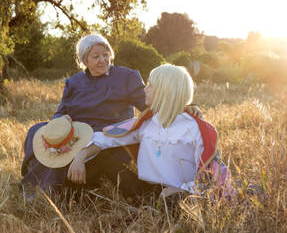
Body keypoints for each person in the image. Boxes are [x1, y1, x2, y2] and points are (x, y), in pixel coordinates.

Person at [20, 34, 201, 196]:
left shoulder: (126, 76)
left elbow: (151, 101)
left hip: (110, 134)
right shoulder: (74, 82)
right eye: (96, 56)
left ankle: (50, 191)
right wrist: (59, 120)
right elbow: (62, 110)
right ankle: (35, 182)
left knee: (83, 152)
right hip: (76, 133)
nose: (102, 60)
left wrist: (183, 106)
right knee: (37, 130)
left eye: (106, 55)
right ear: (85, 60)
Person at [67, 64, 219, 198]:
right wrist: (80, 156)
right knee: (102, 157)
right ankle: (77, 197)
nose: (145, 89)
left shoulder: (198, 129)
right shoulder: (144, 123)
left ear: (164, 91)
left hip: (177, 196)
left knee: (173, 202)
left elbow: (208, 178)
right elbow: (105, 139)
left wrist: (180, 192)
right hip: (142, 192)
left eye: (150, 85)